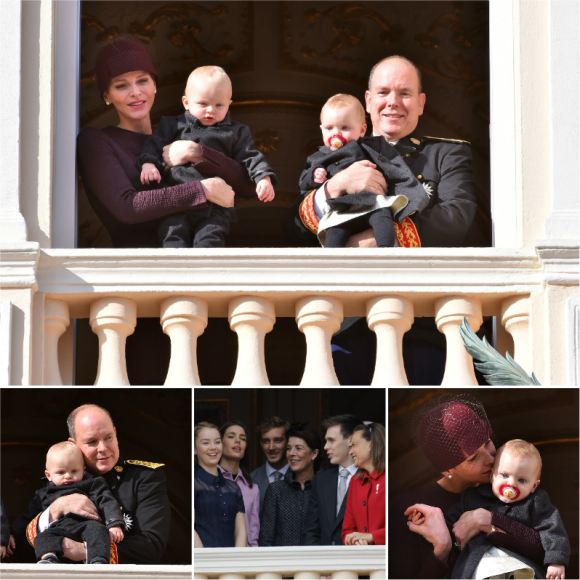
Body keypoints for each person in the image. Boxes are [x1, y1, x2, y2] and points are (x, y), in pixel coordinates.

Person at [78, 37, 259, 249]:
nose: (135, 92)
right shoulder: (96, 140)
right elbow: (127, 207)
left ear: (154, 84)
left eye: (143, 80)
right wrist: (202, 190)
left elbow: (250, 186)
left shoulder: (178, 133)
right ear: (107, 95)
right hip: (139, 272)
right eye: (121, 85)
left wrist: (197, 152)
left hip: (197, 267)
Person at [286, 54, 477, 249]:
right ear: (368, 101)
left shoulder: (447, 153)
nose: (393, 102)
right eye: (383, 92)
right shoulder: (330, 154)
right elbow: (293, 232)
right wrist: (335, 186)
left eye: (404, 93)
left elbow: (457, 216)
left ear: (420, 103)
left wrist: (375, 241)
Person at [388, 393, 546, 579]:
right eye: (474, 457)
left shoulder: (510, 483)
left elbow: (547, 548)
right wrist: (442, 549)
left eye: (488, 443)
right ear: (447, 469)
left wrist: (488, 520)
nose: (491, 458)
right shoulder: (405, 508)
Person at [11, 404, 170, 564]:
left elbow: (152, 545)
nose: (103, 448)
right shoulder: (55, 484)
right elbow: (18, 544)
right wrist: (56, 509)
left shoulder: (144, 477)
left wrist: (83, 550)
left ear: (115, 434)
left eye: (108, 437)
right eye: (92, 441)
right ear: (74, 444)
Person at [138, 66, 277, 248]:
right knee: (173, 238)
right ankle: (175, 274)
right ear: (186, 102)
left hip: (216, 205)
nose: (210, 110)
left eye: (219, 105)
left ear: (229, 104)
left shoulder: (236, 132)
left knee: (210, 242)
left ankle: (206, 275)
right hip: (178, 197)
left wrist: (263, 178)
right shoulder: (173, 124)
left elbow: (250, 156)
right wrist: (148, 164)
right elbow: (155, 146)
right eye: (203, 104)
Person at [299, 94, 428, 247]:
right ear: (321, 130)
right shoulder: (319, 157)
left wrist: (409, 193)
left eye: (345, 127)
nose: (336, 133)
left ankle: (386, 251)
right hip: (342, 208)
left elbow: (394, 169)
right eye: (329, 128)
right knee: (333, 231)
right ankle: (331, 264)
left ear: (362, 130)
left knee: (383, 219)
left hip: (372, 202)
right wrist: (315, 175)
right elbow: (303, 183)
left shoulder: (372, 147)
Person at [435, 439, 569, 579]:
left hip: (518, 568)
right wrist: (435, 524)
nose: (511, 483)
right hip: (478, 568)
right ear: (492, 475)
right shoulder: (473, 497)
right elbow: (452, 520)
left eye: (521, 480)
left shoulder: (536, 502)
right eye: (504, 475)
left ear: (534, 486)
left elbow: (553, 529)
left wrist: (556, 561)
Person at [32, 442, 124, 565]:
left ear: (83, 470)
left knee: (99, 531)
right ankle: (49, 558)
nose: (68, 476)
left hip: (87, 523)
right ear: (48, 475)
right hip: (61, 527)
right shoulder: (43, 493)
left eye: (74, 471)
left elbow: (106, 501)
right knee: (42, 537)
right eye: (61, 472)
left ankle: (98, 560)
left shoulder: (92, 485)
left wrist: (114, 523)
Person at [259, 424, 322, 546]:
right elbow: (266, 540)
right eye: (289, 448)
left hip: (317, 562)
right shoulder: (276, 490)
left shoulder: (325, 488)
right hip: (283, 563)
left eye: (298, 448)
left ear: (314, 454)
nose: (292, 453)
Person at [303, 414, 362, 546]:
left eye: (331, 440)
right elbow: (311, 530)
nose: (325, 446)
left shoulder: (370, 478)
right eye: (326, 440)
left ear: (351, 440)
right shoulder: (321, 480)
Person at [194, 422, 246, 548]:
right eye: (206, 443)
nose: (213, 447)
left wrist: (235, 562)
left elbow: (241, 531)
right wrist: (204, 562)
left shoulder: (234, 488)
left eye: (217, 442)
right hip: (201, 562)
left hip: (230, 563)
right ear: (194, 449)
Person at [341, 422, 386, 546]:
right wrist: (354, 540)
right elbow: (347, 530)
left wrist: (372, 536)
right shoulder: (355, 482)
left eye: (354, 445)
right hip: (362, 557)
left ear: (370, 444)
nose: (350, 452)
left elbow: (401, 526)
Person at [218, 420, 260, 547]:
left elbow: (253, 537)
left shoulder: (252, 488)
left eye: (242, 438)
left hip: (243, 559)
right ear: (219, 443)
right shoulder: (204, 481)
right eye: (231, 436)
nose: (238, 441)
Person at [250, 416, 291, 514]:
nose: (271, 447)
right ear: (260, 443)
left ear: (288, 441)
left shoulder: (302, 477)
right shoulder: (250, 480)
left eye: (277, 440)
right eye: (266, 441)